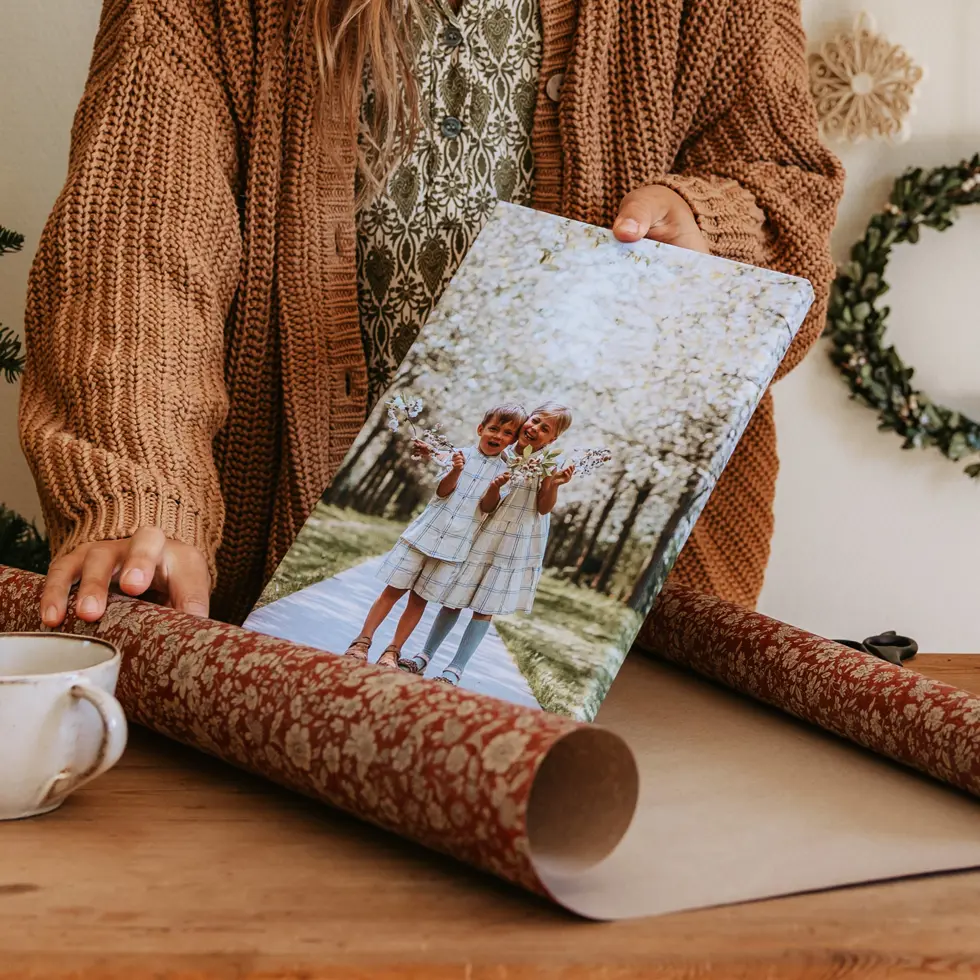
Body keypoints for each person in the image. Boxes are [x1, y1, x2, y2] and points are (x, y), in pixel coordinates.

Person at [20, 0, 844, 629]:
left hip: (627, 617)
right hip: (276, 600)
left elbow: (789, 208)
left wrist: (707, 230)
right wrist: (139, 499)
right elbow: (134, 251)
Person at [399, 403, 573, 685]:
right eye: (535, 421)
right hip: (482, 526)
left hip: (515, 537)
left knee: (484, 605)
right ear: (526, 418)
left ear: (552, 440)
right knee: (456, 595)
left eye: (545, 429)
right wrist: (432, 452)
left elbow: (543, 508)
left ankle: (455, 668)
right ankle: (424, 654)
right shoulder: (501, 447)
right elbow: (466, 460)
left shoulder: (548, 464)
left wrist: (553, 485)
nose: (535, 429)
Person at [344, 403, 524, 668]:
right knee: (392, 592)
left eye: (507, 433)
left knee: (418, 602)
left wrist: (495, 489)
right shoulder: (458, 455)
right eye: (493, 429)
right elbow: (441, 492)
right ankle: (362, 641)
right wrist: (456, 470)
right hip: (423, 537)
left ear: (512, 440)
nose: (497, 436)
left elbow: (486, 508)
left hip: (453, 547)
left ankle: (393, 650)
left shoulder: (505, 472)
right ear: (481, 428)